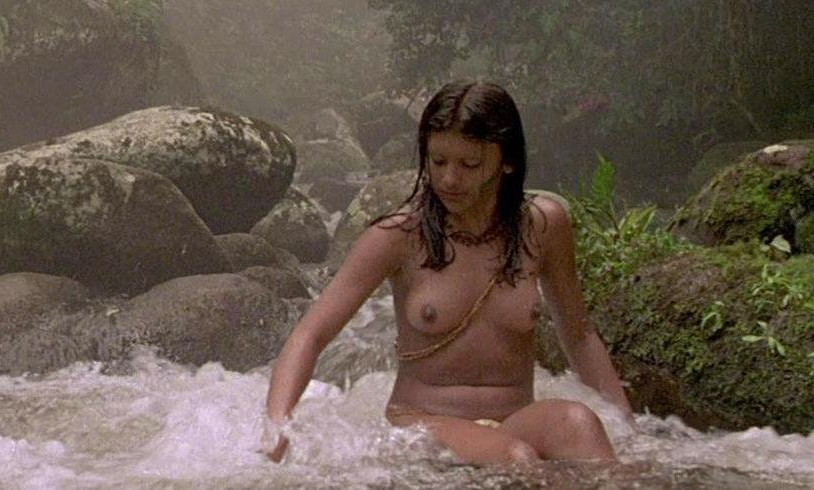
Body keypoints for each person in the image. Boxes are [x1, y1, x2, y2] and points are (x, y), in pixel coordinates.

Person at [263, 81, 630, 465]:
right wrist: (277, 428)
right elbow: (309, 335)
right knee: (515, 457)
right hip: (423, 422)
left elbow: (579, 335)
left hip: (515, 419)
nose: (449, 180)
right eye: (438, 162)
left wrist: (627, 427)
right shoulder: (397, 236)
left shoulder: (543, 225)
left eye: (469, 165)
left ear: (507, 161)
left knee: (581, 425)